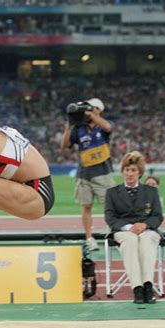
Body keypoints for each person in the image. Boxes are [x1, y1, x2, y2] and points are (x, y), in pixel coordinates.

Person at [104, 151, 163, 304]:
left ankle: (147, 286)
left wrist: (144, 225)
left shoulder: (151, 191)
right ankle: (137, 288)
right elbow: (110, 218)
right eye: (127, 170)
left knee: (146, 239)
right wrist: (129, 227)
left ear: (140, 173)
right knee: (130, 240)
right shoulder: (111, 193)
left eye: (133, 170)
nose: (129, 174)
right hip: (123, 231)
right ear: (122, 171)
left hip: (147, 230)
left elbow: (157, 216)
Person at [60, 98, 115, 252]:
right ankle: (89, 238)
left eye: (93, 108)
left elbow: (108, 127)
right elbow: (64, 145)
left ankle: (113, 234)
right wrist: (69, 126)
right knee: (86, 207)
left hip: (103, 172)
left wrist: (91, 115)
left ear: (99, 110)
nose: (88, 110)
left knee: (109, 206)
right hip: (84, 174)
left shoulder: (103, 125)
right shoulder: (79, 128)